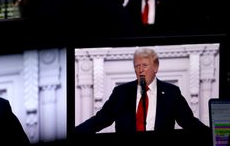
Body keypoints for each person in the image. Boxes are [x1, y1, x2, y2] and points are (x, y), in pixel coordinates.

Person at [74, 47, 210, 135]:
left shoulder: (171, 92)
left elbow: (189, 122)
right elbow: (100, 120)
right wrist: (73, 133)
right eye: (137, 66)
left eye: (144, 65)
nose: (140, 70)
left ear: (156, 67)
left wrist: (212, 135)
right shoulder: (121, 92)